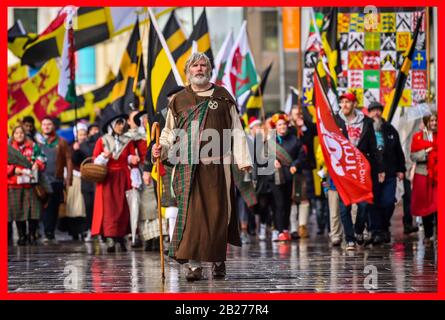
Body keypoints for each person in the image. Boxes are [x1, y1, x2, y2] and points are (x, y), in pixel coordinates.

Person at [151, 52, 251, 281]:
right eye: (194, 65)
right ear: (188, 70)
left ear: (209, 69)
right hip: (188, 167)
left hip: (217, 167)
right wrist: (161, 149)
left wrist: (243, 159)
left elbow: (236, 129)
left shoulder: (224, 97)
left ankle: (218, 261)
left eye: (203, 65)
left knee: (218, 216)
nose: (199, 69)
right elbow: (168, 133)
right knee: (192, 217)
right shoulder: (179, 100)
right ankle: (194, 266)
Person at [335, 93, 384, 250]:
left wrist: (380, 169)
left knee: (363, 204)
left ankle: (357, 230)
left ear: (354, 103)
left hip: (361, 168)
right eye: (342, 102)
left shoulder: (366, 122)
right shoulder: (336, 121)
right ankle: (349, 239)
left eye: (347, 102)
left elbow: (373, 147)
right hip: (343, 169)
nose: (345, 105)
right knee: (345, 206)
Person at [92, 108, 139, 252]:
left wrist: (133, 159)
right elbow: (95, 160)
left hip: (124, 178)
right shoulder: (103, 141)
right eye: (118, 123)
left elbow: (131, 158)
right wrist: (103, 157)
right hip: (108, 179)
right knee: (109, 209)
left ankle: (121, 236)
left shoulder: (128, 140)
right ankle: (110, 238)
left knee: (123, 208)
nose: (121, 126)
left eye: (122, 123)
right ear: (112, 125)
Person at [366, 102, 406, 244]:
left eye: (378, 110)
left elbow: (398, 151)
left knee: (388, 202)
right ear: (369, 113)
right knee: (374, 203)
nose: (376, 113)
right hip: (372, 174)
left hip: (390, 173)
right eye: (373, 111)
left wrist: (401, 169)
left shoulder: (390, 130)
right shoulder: (365, 129)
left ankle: (383, 227)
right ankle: (377, 231)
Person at [269, 113, 306, 242]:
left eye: (284, 124)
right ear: (276, 127)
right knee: (278, 204)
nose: (282, 127)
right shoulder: (270, 141)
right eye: (279, 125)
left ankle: (285, 228)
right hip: (275, 177)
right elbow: (261, 157)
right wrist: (271, 161)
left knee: (287, 203)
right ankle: (279, 231)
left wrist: (295, 164)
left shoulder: (294, 140)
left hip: (290, 176)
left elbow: (301, 155)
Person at [8, 126, 46, 245]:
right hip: (15, 184)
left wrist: (37, 164)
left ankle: (32, 234)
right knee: (17, 212)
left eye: (21, 133)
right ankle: (22, 235)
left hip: (31, 184)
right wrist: (14, 170)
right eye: (17, 133)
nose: (19, 135)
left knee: (33, 211)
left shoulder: (33, 146)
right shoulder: (8, 149)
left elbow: (42, 158)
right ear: (13, 135)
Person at [39, 117, 73, 242]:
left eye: (49, 124)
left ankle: (49, 232)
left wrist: (69, 179)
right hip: (41, 180)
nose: (46, 126)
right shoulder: (37, 142)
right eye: (44, 124)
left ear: (53, 126)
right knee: (42, 207)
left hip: (56, 180)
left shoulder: (62, 142)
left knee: (53, 208)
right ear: (41, 126)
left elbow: (69, 160)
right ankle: (44, 232)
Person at [410, 112, 438, 246]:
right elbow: (413, 156)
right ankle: (428, 235)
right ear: (426, 122)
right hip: (423, 174)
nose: (434, 123)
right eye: (431, 121)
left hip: (438, 175)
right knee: (426, 206)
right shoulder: (418, 137)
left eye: (436, 121)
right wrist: (426, 153)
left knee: (438, 205)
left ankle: (438, 234)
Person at [62, 122, 89, 240]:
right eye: (80, 134)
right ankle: (74, 231)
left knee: (83, 205)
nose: (82, 136)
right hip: (74, 178)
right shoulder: (70, 147)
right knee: (73, 205)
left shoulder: (89, 146)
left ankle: (84, 229)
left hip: (86, 178)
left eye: (84, 134)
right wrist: (75, 151)